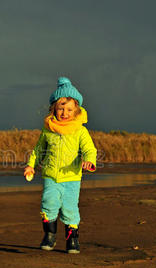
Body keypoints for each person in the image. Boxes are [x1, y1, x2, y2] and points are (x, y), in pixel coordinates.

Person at [24, 76, 97, 254]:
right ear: (54, 108)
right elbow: (38, 150)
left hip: (72, 177)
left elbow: (90, 149)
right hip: (51, 175)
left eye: (69, 109)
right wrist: (31, 165)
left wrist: (89, 161)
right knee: (48, 203)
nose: (65, 113)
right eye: (61, 108)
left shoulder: (80, 130)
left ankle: (72, 239)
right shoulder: (48, 129)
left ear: (76, 111)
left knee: (70, 208)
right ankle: (49, 236)